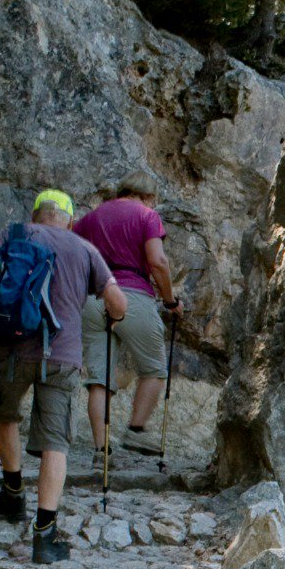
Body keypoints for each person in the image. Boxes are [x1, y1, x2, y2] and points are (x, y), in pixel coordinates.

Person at [0, 188, 122, 565]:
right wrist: (114, 315)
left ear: (36, 215)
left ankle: (13, 489)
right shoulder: (84, 249)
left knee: (6, 414)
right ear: (68, 219)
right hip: (62, 356)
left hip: (11, 348)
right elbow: (117, 303)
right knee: (55, 442)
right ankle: (44, 536)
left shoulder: (15, 235)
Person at [72, 181, 178, 461]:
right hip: (132, 295)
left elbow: (72, 249)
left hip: (94, 297)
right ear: (147, 196)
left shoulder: (92, 218)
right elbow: (158, 262)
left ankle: (101, 451)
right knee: (154, 367)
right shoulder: (146, 215)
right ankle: (135, 429)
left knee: (99, 380)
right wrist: (170, 300)